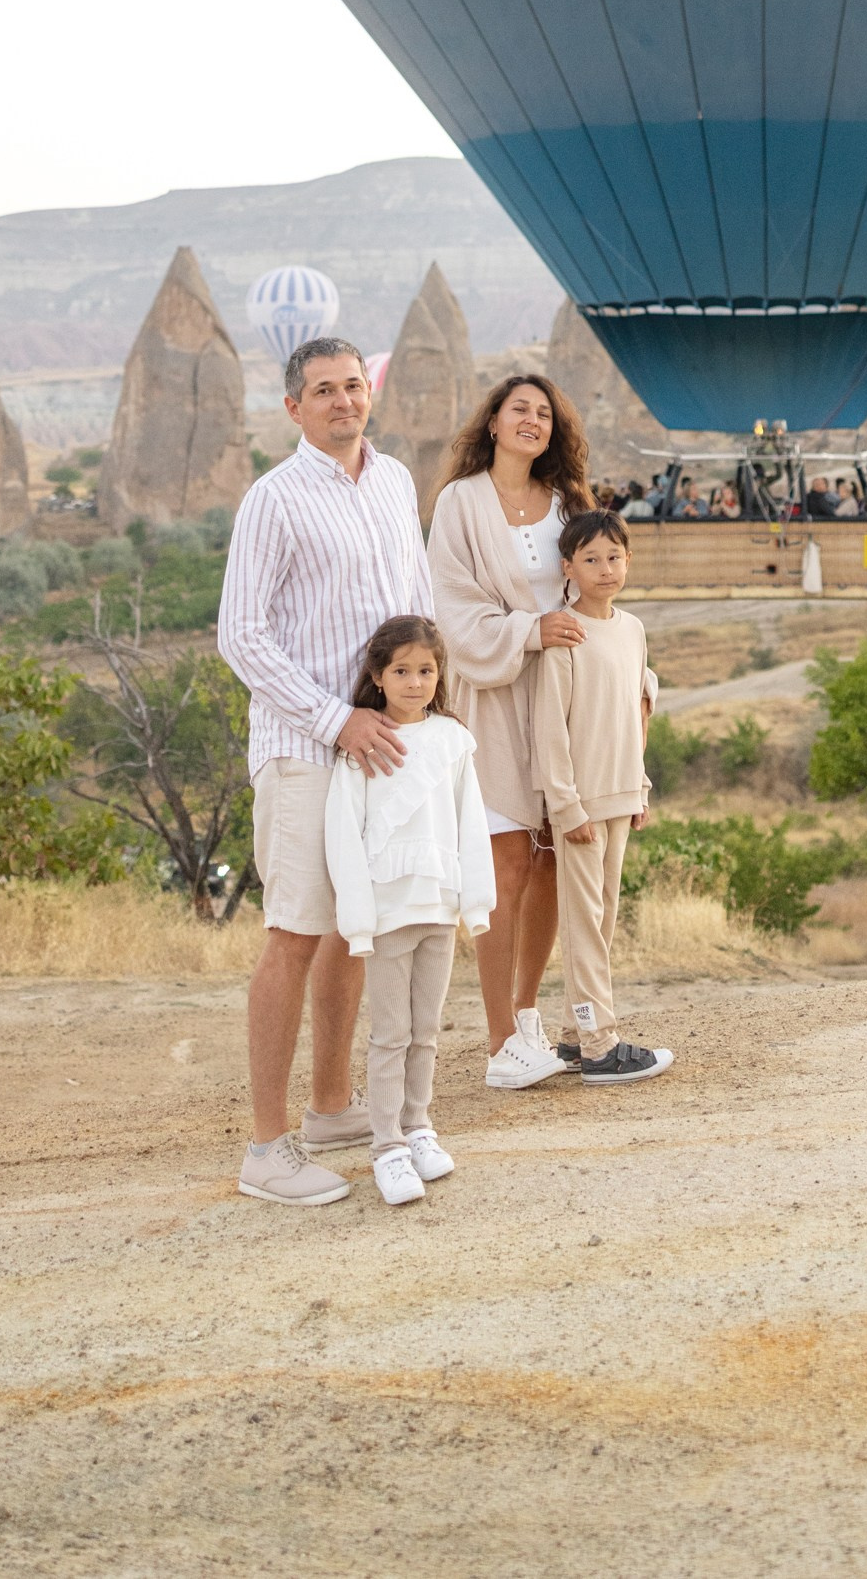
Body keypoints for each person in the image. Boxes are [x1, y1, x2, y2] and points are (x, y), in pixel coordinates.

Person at [216, 335, 433, 1208]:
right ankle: (266, 1149)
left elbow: (413, 608)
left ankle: (333, 1107)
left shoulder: (393, 481)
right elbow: (241, 635)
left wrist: (423, 717)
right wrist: (334, 719)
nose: (343, 401)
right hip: (306, 747)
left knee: (354, 928)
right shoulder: (272, 500)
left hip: (380, 746)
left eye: (353, 386)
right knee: (296, 933)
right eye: (323, 391)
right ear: (292, 408)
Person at [426, 371, 596, 1089]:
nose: (532, 421)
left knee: (556, 857)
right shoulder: (458, 504)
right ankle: (498, 1044)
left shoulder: (568, 505)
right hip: (492, 699)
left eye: (544, 414)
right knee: (504, 866)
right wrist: (530, 630)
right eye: (518, 410)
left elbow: (601, 584)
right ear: (491, 422)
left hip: (561, 696)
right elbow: (453, 610)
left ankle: (527, 1017)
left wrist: (631, 676)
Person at [325, 616, 495, 1206]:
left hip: (439, 905)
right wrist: (359, 918)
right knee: (390, 1034)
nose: (416, 682)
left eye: (426, 670)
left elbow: (469, 820)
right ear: (378, 676)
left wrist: (474, 903)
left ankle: (420, 1127)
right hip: (388, 910)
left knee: (427, 1032)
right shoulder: (361, 747)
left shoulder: (452, 739)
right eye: (402, 671)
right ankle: (387, 1147)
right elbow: (345, 833)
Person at [532, 511, 674, 1084]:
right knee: (585, 921)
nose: (605, 569)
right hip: (582, 806)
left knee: (605, 915)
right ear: (569, 567)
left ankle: (573, 1032)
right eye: (590, 559)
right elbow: (551, 727)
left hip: (620, 796)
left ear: (628, 560)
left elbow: (634, 712)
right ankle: (599, 1043)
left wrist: (639, 788)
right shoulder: (565, 631)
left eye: (614, 557)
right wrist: (567, 808)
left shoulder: (633, 628)